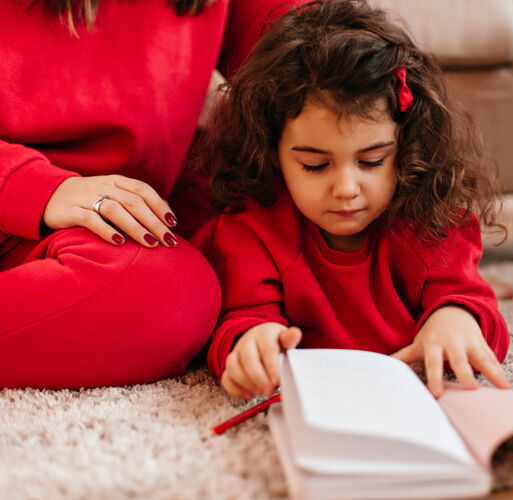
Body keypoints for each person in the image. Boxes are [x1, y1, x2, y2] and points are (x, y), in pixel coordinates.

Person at [194, 0, 511, 400]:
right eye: (314, 165)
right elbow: (241, 319)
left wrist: (455, 320)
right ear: (273, 150)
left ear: (405, 146)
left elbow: (473, 306)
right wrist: (250, 346)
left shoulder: (430, 219)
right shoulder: (253, 228)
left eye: (372, 161)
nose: (346, 188)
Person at [0, 0, 294, 389]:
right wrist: (36, 186)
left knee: (179, 290)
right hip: (18, 190)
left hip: (98, 225)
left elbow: (306, 49)